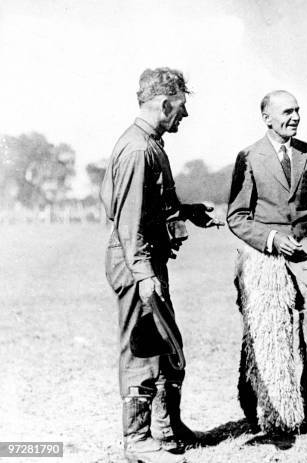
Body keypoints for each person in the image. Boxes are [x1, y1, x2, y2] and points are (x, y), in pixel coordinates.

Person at [101, 67, 223, 463]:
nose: (184, 116)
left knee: (167, 344)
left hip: (146, 260)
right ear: (164, 103)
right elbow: (128, 220)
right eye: (181, 107)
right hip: (138, 263)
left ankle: (168, 430)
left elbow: (147, 209)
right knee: (143, 349)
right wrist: (144, 275)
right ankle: (137, 440)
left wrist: (186, 212)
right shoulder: (138, 149)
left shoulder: (148, 144)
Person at [226, 90, 307, 436]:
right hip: (266, 261)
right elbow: (237, 216)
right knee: (271, 337)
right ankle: (276, 417)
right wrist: (271, 240)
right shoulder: (249, 157)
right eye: (287, 112)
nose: (295, 117)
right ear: (266, 118)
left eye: (298, 111)